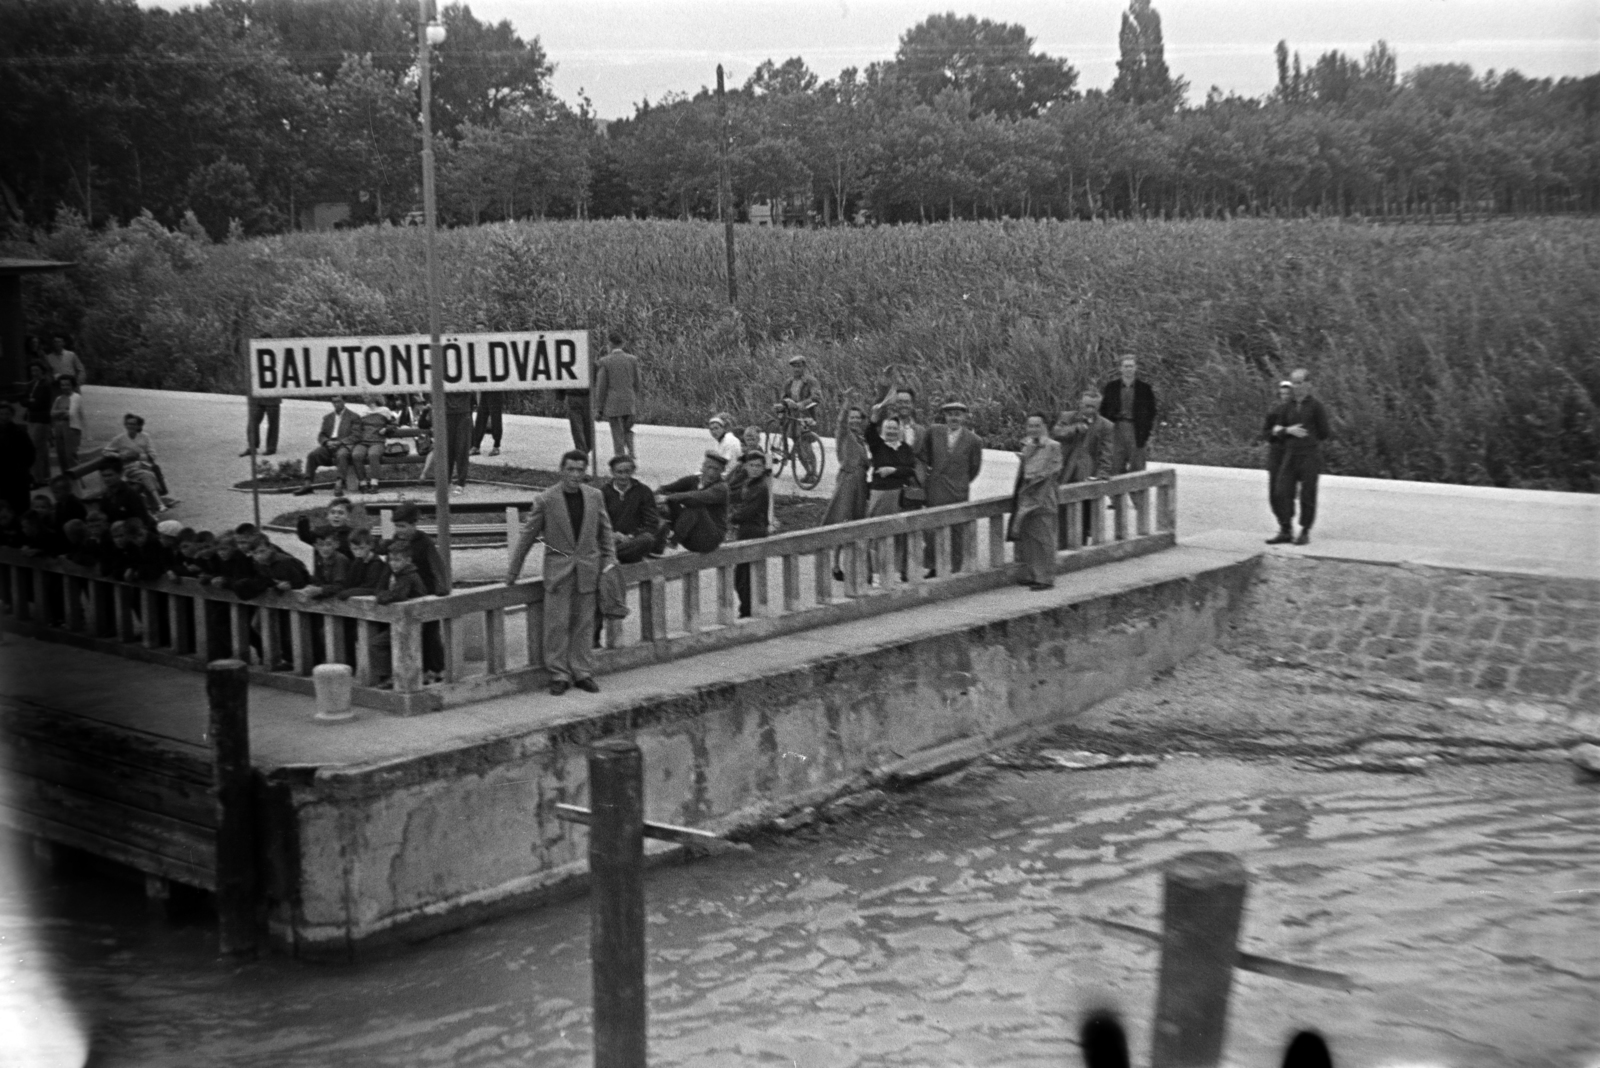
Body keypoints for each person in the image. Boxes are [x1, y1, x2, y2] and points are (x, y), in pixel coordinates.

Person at [506, 449, 616, 696]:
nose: (575, 475)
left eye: (580, 470)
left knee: (584, 623)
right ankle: (559, 673)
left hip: (588, 569)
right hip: (559, 572)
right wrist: (513, 572)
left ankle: (582, 672)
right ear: (561, 470)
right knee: (557, 624)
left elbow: (605, 531)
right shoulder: (546, 500)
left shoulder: (595, 496)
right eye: (571, 469)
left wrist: (610, 560)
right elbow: (527, 537)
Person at [918, 400, 984, 574]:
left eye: (957, 414)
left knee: (956, 530)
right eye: (950, 414)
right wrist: (926, 479)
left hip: (958, 490)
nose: (953, 417)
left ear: (964, 416)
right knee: (932, 528)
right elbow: (923, 457)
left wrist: (961, 481)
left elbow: (974, 468)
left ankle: (954, 567)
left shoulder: (974, 440)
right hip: (935, 488)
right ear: (944, 416)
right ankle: (933, 566)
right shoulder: (933, 432)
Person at [1269, 369, 1333, 546]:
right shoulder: (1287, 406)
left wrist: (1308, 439)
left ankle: (1305, 530)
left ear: (1308, 384)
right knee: (1282, 491)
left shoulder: (1316, 406)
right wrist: (1287, 431)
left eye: (1299, 382)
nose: (1295, 386)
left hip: (1309, 455)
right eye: (1293, 382)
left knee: (1307, 493)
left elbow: (1324, 432)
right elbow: (1275, 429)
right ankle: (1286, 529)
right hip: (1290, 454)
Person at [1009, 413, 1063, 590]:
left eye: (1037, 425)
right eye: (1030, 426)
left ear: (1045, 426)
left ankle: (1046, 578)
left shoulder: (1053, 446)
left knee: (1044, 538)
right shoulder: (1027, 445)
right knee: (1029, 537)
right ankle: (1033, 574)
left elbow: (1052, 471)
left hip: (1043, 496)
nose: (1033, 429)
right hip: (1027, 496)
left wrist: (1034, 485)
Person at [1054, 390, 1115, 545]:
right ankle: (1061, 545)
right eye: (1087, 406)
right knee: (1062, 514)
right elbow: (1056, 433)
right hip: (1066, 473)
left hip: (1087, 476)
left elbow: (1106, 454)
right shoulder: (1068, 417)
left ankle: (1080, 545)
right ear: (1080, 404)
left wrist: (1102, 474)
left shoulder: (1106, 426)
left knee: (1084, 517)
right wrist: (1074, 429)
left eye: (1094, 407)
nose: (1090, 410)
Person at [863, 412, 917, 582]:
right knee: (876, 534)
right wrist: (875, 416)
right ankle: (876, 574)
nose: (891, 431)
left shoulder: (905, 448)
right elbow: (869, 432)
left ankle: (895, 572)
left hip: (898, 495)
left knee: (897, 534)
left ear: (899, 430)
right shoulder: (878, 445)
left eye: (894, 428)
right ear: (883, 429)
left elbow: (910, 469)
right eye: (888, 428)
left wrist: (892, 470)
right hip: (880, 494)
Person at [821, 400, 869, 581]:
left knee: (858, 521)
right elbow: (840, 423)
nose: (854, 421)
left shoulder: (861, 438)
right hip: (848, 480)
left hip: (861, 482)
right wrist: (846, 405)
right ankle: (835, 564)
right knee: (842, 519)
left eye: (858, 418)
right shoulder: (844, 434)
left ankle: (856, 564)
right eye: (852, 417)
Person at [656, 451, 731, 554]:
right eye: (709, 467)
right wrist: (657, 498)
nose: (711, 473)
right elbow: (665, 488)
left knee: (695, 505)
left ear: (722, 471)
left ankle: (673, 543)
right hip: (691, 534)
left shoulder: (721, 488)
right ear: (702, 467)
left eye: (716, 470)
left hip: (710, 539)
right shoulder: (693, 480)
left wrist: (668, 497)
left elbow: (698, 497)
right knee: (670, 501)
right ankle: (659, 538)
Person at [101, 412, 175, 511]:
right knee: (147, 475)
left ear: (138, 426)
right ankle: (159, 503)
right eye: (128, 424)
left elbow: (152, 455)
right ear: (125, 425)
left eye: (133, 424)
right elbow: (106, 451)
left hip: (143, 465)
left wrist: (138, 456)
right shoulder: (119, 439)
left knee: (147, 474)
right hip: (128, 469)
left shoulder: (145, 437)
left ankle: (154, 505)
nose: (131, 426)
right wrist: (119, 456)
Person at [728, 450, 772, 618]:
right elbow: (735, 494)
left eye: (758, 466)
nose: (755, 469)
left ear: (763, 468)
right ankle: (747, 607)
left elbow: (747, 512)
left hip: (754, 532)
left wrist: (732, 517)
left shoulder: (760, 487)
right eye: (752, 465)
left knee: (744, 576)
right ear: (745, 466)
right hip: (747, 531)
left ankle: (747, 609)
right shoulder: (749, 483)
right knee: (742, 574)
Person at [1099, 354, 1157, 476]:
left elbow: (1151, 412)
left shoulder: (1144, 389)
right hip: (1116, 429)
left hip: (1136, 430)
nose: (1128, 369)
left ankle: (1137, 495)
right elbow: (1103, 410)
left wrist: (1147, 432)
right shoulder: (1111, 387)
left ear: (1135, 368)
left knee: (1137, 467)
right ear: (1120, 368)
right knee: (1115, 466)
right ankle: (1117, 494)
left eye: (1131, 366)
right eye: (1126, 366)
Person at [601, 454, 661, 565]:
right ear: (612, 472)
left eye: (627, 472)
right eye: (619, 472)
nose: (624, 476)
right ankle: (614, 555)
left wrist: (630, 536)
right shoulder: (603, 492)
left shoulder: (643, 491)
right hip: (610, 540)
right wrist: (611, 535)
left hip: (632, 541)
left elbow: (652, 523)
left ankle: (608, 556)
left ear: (632, 471)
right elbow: (597, 521)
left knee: (647, 540)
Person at [294, 397, 360, 496]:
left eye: (338, 401)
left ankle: (339, 484)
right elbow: (321, 435)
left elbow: (356, 435)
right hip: (329, 444)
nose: (336, 404)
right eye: (334, 402)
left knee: (342, 455)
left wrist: (340, 442)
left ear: (344, 402)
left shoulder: (354, 416)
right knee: (312, 455)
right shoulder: (328, 417)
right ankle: (307, 484)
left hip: (344, 445)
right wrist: (326, 442)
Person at [593, 331, 641, 459]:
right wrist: (633, 397)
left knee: (617, 432)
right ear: (622, 344)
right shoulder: (632, 360)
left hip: (613, 403)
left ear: (610, 344)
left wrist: (599, 409)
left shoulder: (605, 361)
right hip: (629, 401)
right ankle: (631, 451)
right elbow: (637, 383)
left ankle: (620, 457)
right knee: (627, 428)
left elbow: (601, 387)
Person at [774, 354, 821, 482]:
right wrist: (787, 401)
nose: (796, 370)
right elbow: (783, 397)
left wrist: (801, 405)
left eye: (799, 366)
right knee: (797, 444)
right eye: (794, 367)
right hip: (792, 417)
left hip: (806, 416)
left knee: (805, 444)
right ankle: (808, 472)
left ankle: (814, 472)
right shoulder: (789, 382)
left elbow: (816, 398)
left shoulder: (811, 381)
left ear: (804, 367)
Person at [349, 394, 397, 494]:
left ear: (373, 398)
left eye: (366, 397)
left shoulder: (384, 410)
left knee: (373, 455)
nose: (364, 399)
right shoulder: (363, 412)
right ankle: (363, 483)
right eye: (364, 397)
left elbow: (394, 424)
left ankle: (374, 483)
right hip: (363, 441)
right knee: (356, 455)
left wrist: (386, 429)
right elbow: (357, 427)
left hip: (377, 441)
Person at [1261, 380, 1294, 527]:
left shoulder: (1298, 413)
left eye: (1287, 394)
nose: (1285, 396)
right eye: (1282, 394)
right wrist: (1273, 432)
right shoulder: (1274, 412)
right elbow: (1266, 433)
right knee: (1274, 493)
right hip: (1276, 454)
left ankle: (1287, 525)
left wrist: (1281, 431)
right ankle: (1282, 522)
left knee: (1286, 492)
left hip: (1291, 454)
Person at [0, 402, 37, 514]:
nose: (4, 417)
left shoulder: (20, 432)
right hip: (1, 478)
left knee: (21, 509)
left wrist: (22, 469)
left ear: (12, 415)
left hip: (18, 478)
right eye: (1, 414)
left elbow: (30, 453)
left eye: (7, 414)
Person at [94, 457, 153, 527]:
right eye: (104, 476)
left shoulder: (131, 494)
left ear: (120, 474)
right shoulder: (106, 496)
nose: (106, 479)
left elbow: (142, 520)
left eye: (110, 475)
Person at [21, 362, 54, 487]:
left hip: (41, 419)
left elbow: (40, 403)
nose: (34, 373)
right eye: (32, 371)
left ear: (42, 371)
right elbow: (23, 400)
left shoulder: (45, 385)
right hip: (32, 418)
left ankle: (37, 478)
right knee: (41, 449)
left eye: (37, 370)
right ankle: (44, 476)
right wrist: (30, 401)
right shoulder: (32, 384)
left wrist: (29, 401)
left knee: (34, 448)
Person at [560, 386, 593, 460]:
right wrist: (561, 394)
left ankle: (584, 450)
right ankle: (582, 454)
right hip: (572, 395)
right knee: (577, 427)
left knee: (588, 429)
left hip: (589, 396)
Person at [469, 392, 504, 457]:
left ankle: (496, 446)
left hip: (496, 391)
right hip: (484, 392)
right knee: (481, 417)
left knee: (495, 418)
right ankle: (476, 446)